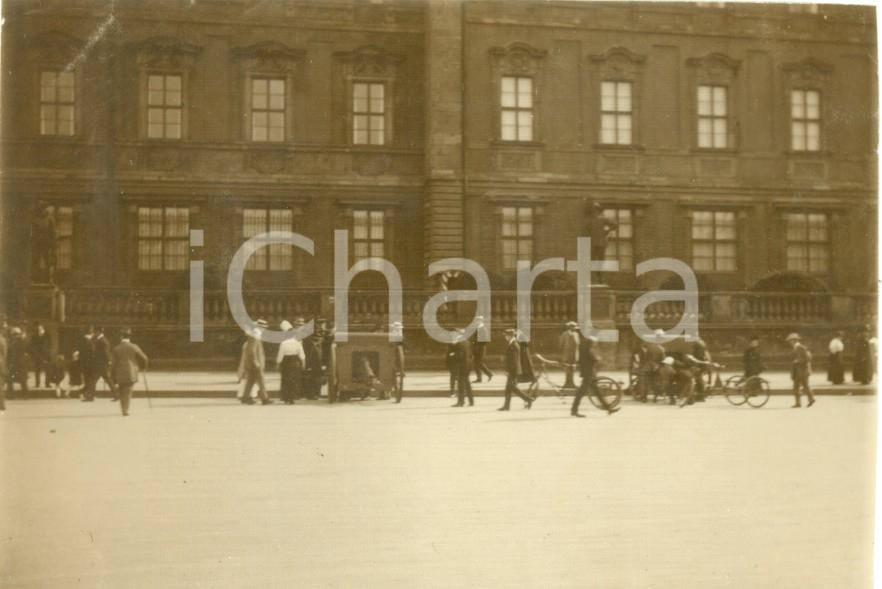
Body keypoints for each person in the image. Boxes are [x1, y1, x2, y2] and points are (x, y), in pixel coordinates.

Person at [572, 335, 618, 417]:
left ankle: (609, 409)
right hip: (589, 375)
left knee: (597, 393)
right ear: (591, 343)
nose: (595, 344)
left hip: (589, 374)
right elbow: (595, 359)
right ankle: (574, 410)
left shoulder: (584, 349)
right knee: (581, 393)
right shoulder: (589, 350)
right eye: (594, 343)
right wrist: (599, 358)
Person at [110, 328, 148, 416]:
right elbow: (145, 358)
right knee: (128, 392)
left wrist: (112, 374)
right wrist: (143, 368)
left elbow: (113, 363)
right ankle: (125, 410)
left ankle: (123, 409)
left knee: (121, 390)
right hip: (131, 373)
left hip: (119, 373)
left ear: (121, 337)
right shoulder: (134, 346)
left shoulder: (116, 348)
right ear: (129, 337)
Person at [237, 319, 272, 405]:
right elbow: (252, 351)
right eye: (263, 328)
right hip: (255, 364)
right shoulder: (255, 336)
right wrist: (256, 362)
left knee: (250, 381)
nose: (264, 329)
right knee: (261, 381)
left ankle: (245, 398)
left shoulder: (254, 336)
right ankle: (265, 399)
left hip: (251, 364)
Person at [498, 328, 533, 411]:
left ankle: (528, 399)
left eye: (506, 335)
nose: (505, 337)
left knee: (512, 388)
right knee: (509, 389)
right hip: (514, 370)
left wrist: (508, 371)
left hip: (513, 371)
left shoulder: (513, 344)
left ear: (510, 336)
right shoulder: (512, 343)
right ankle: (506, 406)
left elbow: (513, 360)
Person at [276, 320, 305, 405]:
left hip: (286, 362)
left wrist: (278, 364)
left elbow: (280, 355)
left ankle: (285, 397)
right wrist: (303, 363)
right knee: (293, 380)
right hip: (295, 361)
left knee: (285, 380)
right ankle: (292, 398)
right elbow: (302, 354)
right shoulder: (297, 342)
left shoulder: (283, 343)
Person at [786, 333, 814, 408]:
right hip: (796, 371)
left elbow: (808, 358)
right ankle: (798, 403)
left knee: (805, 386)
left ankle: (811, 399)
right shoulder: (795, 348)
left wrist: (798, 361)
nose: (790, 343)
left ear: (795, 341)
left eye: (791, 341)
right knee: (796, 386)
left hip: (803, 370)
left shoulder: (802, 348)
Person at [451, 329, 474, 407]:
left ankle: (461, 402)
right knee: (467, 383)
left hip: (462, 366)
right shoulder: (467, 342)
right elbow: (470, 355)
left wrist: (453, 354)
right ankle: (471, 401)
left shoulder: (459, 343)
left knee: (461, 385)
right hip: (468, 366)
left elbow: (459, 356)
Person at [92, 328, 114, 400]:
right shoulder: (101, 340)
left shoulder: (102, 340)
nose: (94, 333)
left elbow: (106, 352)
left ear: (98, 332)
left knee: (93, 380)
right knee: (108, 380)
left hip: (101, 364)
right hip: (102, 364)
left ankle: (90, 396)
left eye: (95, 332)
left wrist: (108, 361)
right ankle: (117, 394)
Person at [7, 327, 30, 399]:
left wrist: (9, 362)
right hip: (21, 363)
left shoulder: (15, 342)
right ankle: (24, 395)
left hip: (16, 363)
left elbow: (12, 353)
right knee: (22, 380)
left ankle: (12, 395)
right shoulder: (21, 341)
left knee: (11, 379)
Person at [471, 316, 493, 383]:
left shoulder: (483, 329)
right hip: (477, 348)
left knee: (477, 363)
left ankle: (480, 378)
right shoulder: (478, 328)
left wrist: (479, 344)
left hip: (481, 349)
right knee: (479, 363)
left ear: (480, 321)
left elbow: (486, 339)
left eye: (477, 321)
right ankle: (489, 374)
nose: (476, 322)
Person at [559, 321, 580, 389]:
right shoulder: (564, 334)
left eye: (575, 327)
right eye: (573, 327)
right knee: (567, 369)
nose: (575, 328)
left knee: (573, 369)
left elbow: (578, 345)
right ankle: (567, 383)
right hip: (567, 355)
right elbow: (561, 345)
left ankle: (572, 383)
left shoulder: (576, 334)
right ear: (569, 327)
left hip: (574, 355)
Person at [79, 327, 97, 402]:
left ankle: (88, 395)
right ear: (91, 333)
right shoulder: (91, 341)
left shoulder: (82, 340)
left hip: (84, 364)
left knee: (87, 380)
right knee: (91, 380)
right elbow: (93, 353)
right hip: (91, 364)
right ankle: (89, 395)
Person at [30, 322, 50, 388]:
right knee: (37, 370)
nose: (39, 330)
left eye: (41, 328)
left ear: (43, 328)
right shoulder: (34, 336)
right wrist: (35, 353)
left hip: (46, 356)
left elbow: (50, 345)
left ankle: (47, 384)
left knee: (47, 370)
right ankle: (37, 384)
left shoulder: (47, 335)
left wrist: (48, 354)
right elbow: (32, 346)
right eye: (38, 328)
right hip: (37, 355)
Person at [391, 321, 405, 403]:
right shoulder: (392, 335)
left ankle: (396, 393)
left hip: (397, 357)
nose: (398, 330)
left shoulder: (401, 337)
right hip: (392, 356)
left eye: (399, 329)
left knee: (394, 376)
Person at [0, 321, 7, 413]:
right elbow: (5, 354)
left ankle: (1, 404)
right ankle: (1, 405)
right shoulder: (2, 339)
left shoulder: (1, 340)